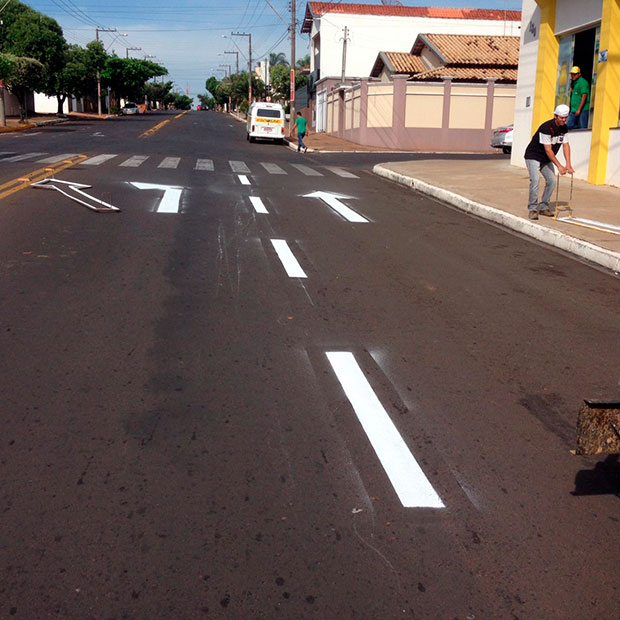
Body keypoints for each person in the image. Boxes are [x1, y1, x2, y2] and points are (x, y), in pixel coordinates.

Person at [523, 104, 575, 220]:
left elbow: (566, 146)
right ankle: (532, 209)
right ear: (555, 116)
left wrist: (568, 165)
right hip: (534, 156)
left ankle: (543, 207)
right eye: (561, 117)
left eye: (565, 117)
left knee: (551, 180)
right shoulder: (546, 128)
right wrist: (559, 166)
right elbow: (548, 150)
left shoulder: (564, 128)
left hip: (546, 159)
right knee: (535, 180)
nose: (564, 120)